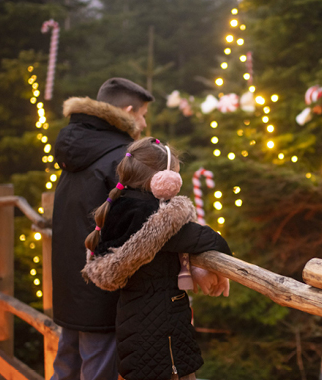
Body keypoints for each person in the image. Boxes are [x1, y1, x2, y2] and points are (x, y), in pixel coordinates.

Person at [82, 137, 231, 380]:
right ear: (162, 180)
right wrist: (224, 264)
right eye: (176, 176)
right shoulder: (156, 219)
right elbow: (203, 238)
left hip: (137, 321)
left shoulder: (120, 207)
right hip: (163, 331)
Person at [51, 78, 153, 380]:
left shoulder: (75, 145)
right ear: (129, 110)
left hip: (69, 282)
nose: (145, 124)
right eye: (143, 114)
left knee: (66, 367)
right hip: (102, 285)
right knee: (97, 371)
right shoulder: (122, 157)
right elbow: (141, 220)